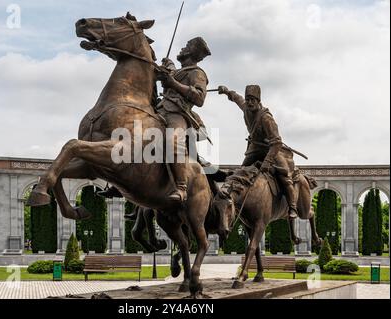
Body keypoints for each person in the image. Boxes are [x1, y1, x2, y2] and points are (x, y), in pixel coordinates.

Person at [98, 37, 211, 203]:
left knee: (172, 141)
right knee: (129, 135)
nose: (183, 48)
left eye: (187, 46)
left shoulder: (198, 73)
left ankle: (181, 187)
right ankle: (119, 177)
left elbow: (199, 98)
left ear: (192, 52)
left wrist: (172, 83)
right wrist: (162, 70)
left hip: (177, 114)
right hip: (158, 111)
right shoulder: (178, 71)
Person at [218, 85, 298, 219]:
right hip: (254, 149)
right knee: (240, 173)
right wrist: (226, 91)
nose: (249, 102)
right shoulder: (245, 108)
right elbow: (236, 98)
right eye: (248, 99)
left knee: (285, 176)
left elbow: (277, 142)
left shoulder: (266, 118)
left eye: (252, 100)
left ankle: (292, 207)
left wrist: (267, 162)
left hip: (270, 150)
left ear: (258, 101)